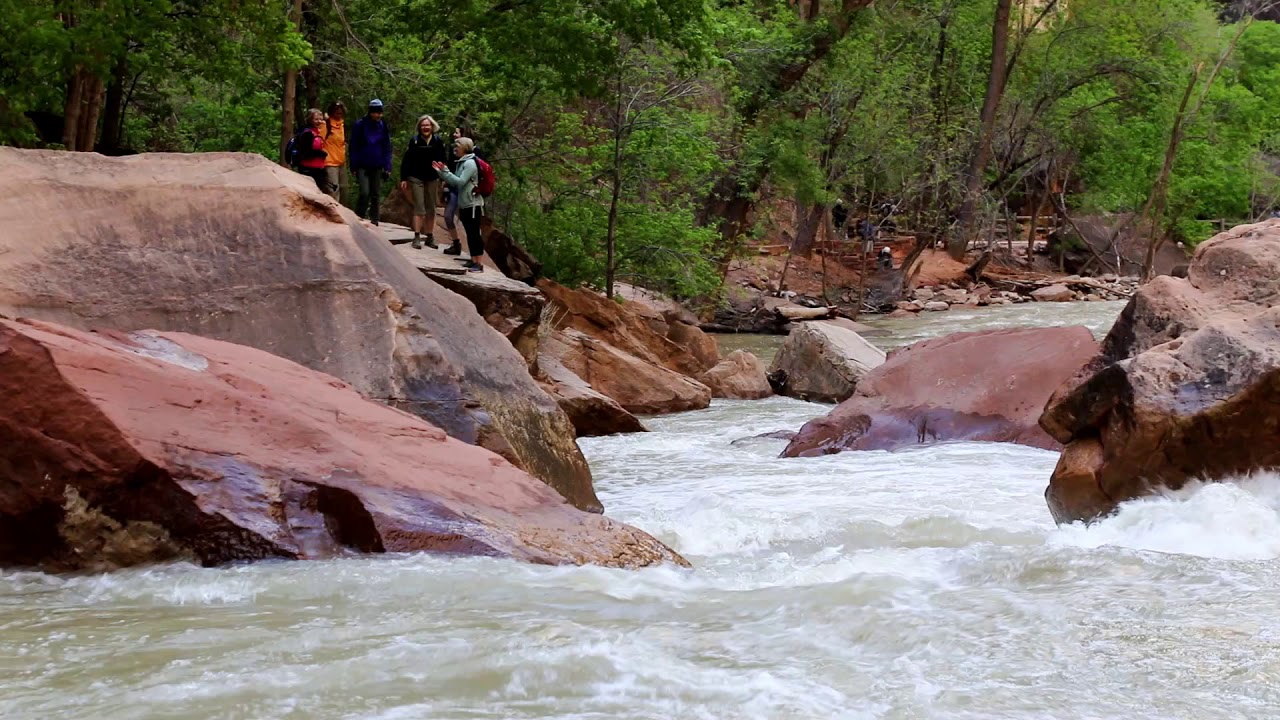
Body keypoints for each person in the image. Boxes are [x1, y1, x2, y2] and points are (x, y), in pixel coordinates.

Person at [433, 136, 486, 273]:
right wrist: (442, 172)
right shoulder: (462, 162)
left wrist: (446, 172)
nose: (455, 149)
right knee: (470, 233)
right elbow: (454, 182)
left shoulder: (469, 163)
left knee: (474, 233)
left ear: (464, 148)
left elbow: (460, 182)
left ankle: (479, 263)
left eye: (457, 146)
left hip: (472, 204)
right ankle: (473, 260)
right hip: (465, 203)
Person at [399, 114, 447, 249]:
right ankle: (417, 236)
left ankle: (430, 237)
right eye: (423, 125)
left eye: (428, 125)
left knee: (431, 207)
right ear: (419, 127)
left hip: (432, 177)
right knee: (419, 207)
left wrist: (444, 177)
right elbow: (407, 160)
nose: (425, 127)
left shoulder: (437, 141)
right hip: (416, 177)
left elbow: (443, 159)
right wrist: (404, 178)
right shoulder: (414, 141)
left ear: (432, 126)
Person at [350, 99, 392, 225]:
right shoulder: (360, 125)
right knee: (364, 192)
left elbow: (386, 146)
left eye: (380, 113)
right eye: (376, 113)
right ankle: (358, 217)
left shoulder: (383, 126)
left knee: (375, 193)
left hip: (377, 164)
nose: (378, 115)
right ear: (370, 112)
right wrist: (353, 165)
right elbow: (353, 146)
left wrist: (387, 166)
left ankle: (375, 220)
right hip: (362, 164)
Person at [440, 126, 464, 254]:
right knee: (448, 216)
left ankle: (475, 255)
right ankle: (456, 243)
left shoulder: (473, 152)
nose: (454, 135)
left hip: (466, 191)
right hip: (453, 187)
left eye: (457, 133)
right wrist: (445, 182)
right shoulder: (452, 149)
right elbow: (449, 166)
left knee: (466, 220)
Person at [295, 109, 328, 192]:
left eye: (320, 119)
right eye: (316, 119)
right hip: (309, 169)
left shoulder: (317, 132)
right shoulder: (307, 133)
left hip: (318, 168)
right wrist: (320, 153)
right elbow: (305, 153)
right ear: (310, 119)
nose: (319, 121)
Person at [320, 101, 347, 202]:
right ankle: (332, 210)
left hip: (341, 162)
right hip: (330, 162)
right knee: (333, 190)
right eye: (336, 110)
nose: (339, 112)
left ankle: (342, 210)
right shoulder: (326, 125)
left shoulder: (342, 125)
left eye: (340, 110)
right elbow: (319, 142)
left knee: (344, 189)